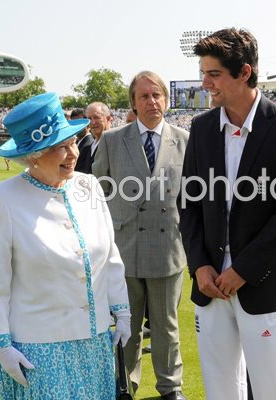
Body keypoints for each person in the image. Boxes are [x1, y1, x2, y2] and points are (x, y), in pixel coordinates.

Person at [178, 28, 276, 400]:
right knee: (220, 388)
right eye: (204, 73)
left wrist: (243, 271)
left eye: (214, 74)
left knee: (274, 387)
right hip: (209, 284)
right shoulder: (202, 129)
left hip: (262, 283)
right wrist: (200, 266)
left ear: (245, 72)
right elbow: (188, 204)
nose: (205, 83)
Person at [0, 92, 131, 399]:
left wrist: (122, 310)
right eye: (59, 147)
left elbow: (109, 255)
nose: (72, 152)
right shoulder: (3, 199)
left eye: (73, 142)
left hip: (95, 341)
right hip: (39, 350)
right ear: (33, 154)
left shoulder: (89, 186)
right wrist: (2, 345)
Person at [93, 71, 189, 400]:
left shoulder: (184, 140)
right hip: (125, 250)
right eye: (144, 96)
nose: (152, 102)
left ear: (166, 99)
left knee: (167, 327)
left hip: (168, 250)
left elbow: (194, 199)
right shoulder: (112, 140)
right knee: (126, 327)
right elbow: (97, 195)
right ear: (133, 102)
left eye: (157, 95)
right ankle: (124, 385)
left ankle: (170, 387)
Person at [75, 102, 112, 174]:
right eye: (89, 118)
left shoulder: (114, 145)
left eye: (96, 117)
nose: (93, 122)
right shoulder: (87, 148)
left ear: (108, 119)